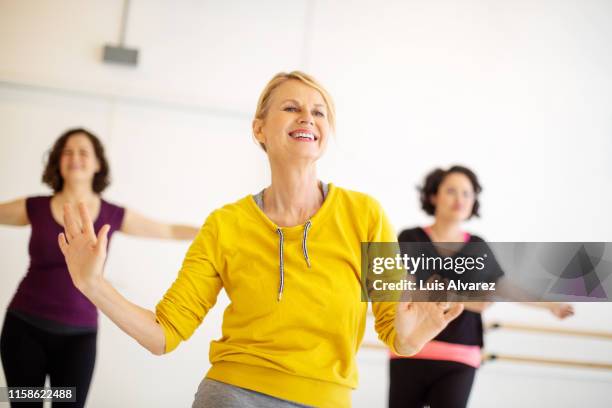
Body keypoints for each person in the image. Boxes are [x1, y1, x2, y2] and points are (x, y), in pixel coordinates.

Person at [57, 72, 465, 408]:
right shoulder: (225, 225)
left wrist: (416, 334)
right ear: (260, 129)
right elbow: (164, 334)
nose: (307, 117)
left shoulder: (365, 215)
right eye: (291, 108)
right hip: (232, 396)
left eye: (318, 112)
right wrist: (93, 285)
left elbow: (399, 333)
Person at [0, 128, 199, 408]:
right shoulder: (35, 207)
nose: (75, 158)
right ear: (58, 161)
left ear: (97, 164)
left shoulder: (113, 214)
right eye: (67, 152)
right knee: (24, 404)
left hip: (78, 337)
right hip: (24, 329)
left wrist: (212, 232)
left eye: (83, 152)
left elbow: (166, 229)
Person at [388, 165, 574, 408]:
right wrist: (467, 300)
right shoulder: (410, 238)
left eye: (467, 193)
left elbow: (503, 287)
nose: (460, 199)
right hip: (410, 349)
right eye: (451, 191)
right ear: (434, 196)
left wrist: (551, 305)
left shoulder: (477, 246)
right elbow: (404, 290)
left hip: (460, 355)